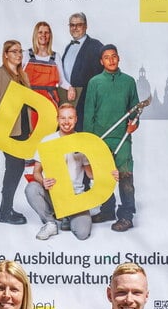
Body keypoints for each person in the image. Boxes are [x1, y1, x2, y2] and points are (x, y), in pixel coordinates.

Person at [24, 102, 118, 241]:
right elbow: (36, 172)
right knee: (31, 188)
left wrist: (108, 174)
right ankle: (50, 222)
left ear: (76, 119)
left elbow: (90, 173)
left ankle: (66, 216)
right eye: (63, 118)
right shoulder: (47, 141)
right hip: (54, 194)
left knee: (82, 233)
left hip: (76, 197)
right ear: (57, 119)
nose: (66, 122)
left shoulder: (83, 141)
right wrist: (43, 181)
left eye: (70, 118)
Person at [83, 44, 141, 232]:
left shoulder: (129, 82)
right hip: (100, 138)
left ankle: (126, 216)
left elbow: (135, 111)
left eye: (114, 56)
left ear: (118, 58)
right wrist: (89, 142)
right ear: (101, 61)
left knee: (125, 176)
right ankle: (107, 210)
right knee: (103, 176)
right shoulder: (95, 82)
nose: (111, 60)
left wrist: (134, 125)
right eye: (106, 57)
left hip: (122, 138)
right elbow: (89, 112)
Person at [0, 40, 33, 225]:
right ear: (5, 54)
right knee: (14, 167)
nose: (18, 55)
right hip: (9, 128)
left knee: (17, 167)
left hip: (24, 126)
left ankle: (7, 209)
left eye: (20, 51)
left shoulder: (23, 75)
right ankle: (5, 212)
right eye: (14, 52)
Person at [59, 12, 104, 130]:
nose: (75, 28)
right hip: (68, 100)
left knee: (82, 138)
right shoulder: (68, 46)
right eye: (72, 25)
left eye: (78, 25)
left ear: (85, 26)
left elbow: (102, 75)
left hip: (85, 102)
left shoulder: (95, 46)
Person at [23, 21, 62, 108]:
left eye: (46, 32)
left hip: (50, 102)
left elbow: (62, 81)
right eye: (40, 32)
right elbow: (17, 78)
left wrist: (70, 88)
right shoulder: (26, 54)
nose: (43, 35)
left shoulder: (56, 57)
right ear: (35, 35)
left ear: (50, 36)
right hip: (30, 100)